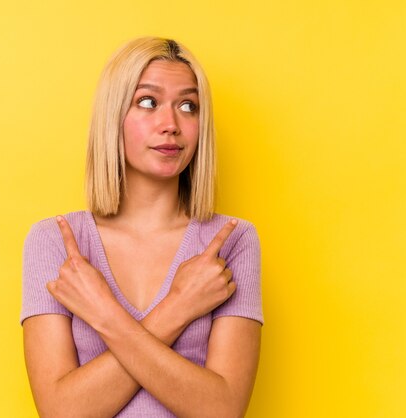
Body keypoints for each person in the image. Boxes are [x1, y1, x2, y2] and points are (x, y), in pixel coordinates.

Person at [21, 37, 263, 418]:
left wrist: (103, 313)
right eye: (147, 102)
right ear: (113, 115)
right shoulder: (54, 240)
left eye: (188, 106)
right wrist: (179, 306)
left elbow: (223, 409)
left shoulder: (232, 242)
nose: (171, 125)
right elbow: (61, 412)